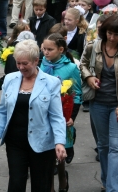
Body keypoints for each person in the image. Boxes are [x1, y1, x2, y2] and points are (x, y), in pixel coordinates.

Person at [0, 39, 67, 191]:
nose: (21, 67)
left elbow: (56, 116)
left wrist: (60, 142)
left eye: (25, 63)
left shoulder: (51, 82)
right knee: (16, 183)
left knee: (41, 185)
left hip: (43, 143)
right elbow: (2, 110)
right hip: (15, 142)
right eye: (18, 63)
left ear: (36, 60)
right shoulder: (10, 80)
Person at [80, 14, 118, 192]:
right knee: (103, 146)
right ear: (104, 31)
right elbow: (82, 64)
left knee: (116, 147)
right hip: (97, 103)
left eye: (117, 34)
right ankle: (106, 181)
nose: (112, 37)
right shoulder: (93, 46)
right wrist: (89, 77)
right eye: (109, 33)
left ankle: (114, 189)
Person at [41, 33, 82, 192]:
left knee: (60, 152)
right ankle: (50, 186)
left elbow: (77, 94)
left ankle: (62, 176)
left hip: (63, 115)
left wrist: (72, 116)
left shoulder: (70, 68)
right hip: (44, 114)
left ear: (61, 49)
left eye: (50, 49)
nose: (46, 52)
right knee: (48, 153)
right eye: (44, 49)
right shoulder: (41, 64)